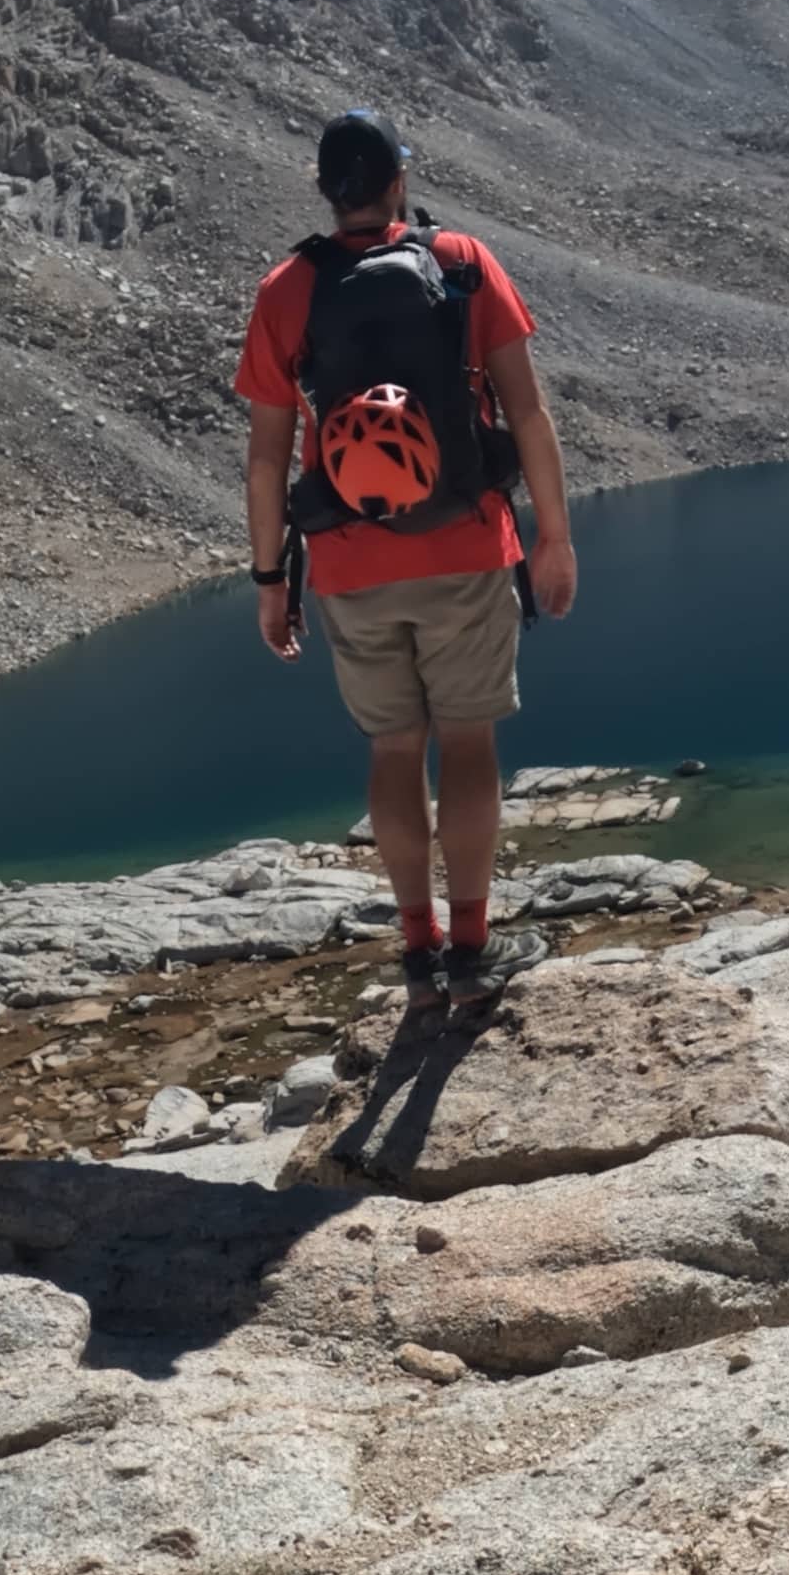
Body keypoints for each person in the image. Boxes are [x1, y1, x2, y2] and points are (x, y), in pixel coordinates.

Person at [234, 110, 579, 1012]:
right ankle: (472, 942)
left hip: (349, 561)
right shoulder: (462, 263)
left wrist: (271, 580)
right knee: (467, 739)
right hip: (467, 543)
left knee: (394, 747)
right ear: (397, 181)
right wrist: (555, 535)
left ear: (326, 191)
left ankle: (416, 942)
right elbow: (527, 409)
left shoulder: (287, 290)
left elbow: (269, 455)